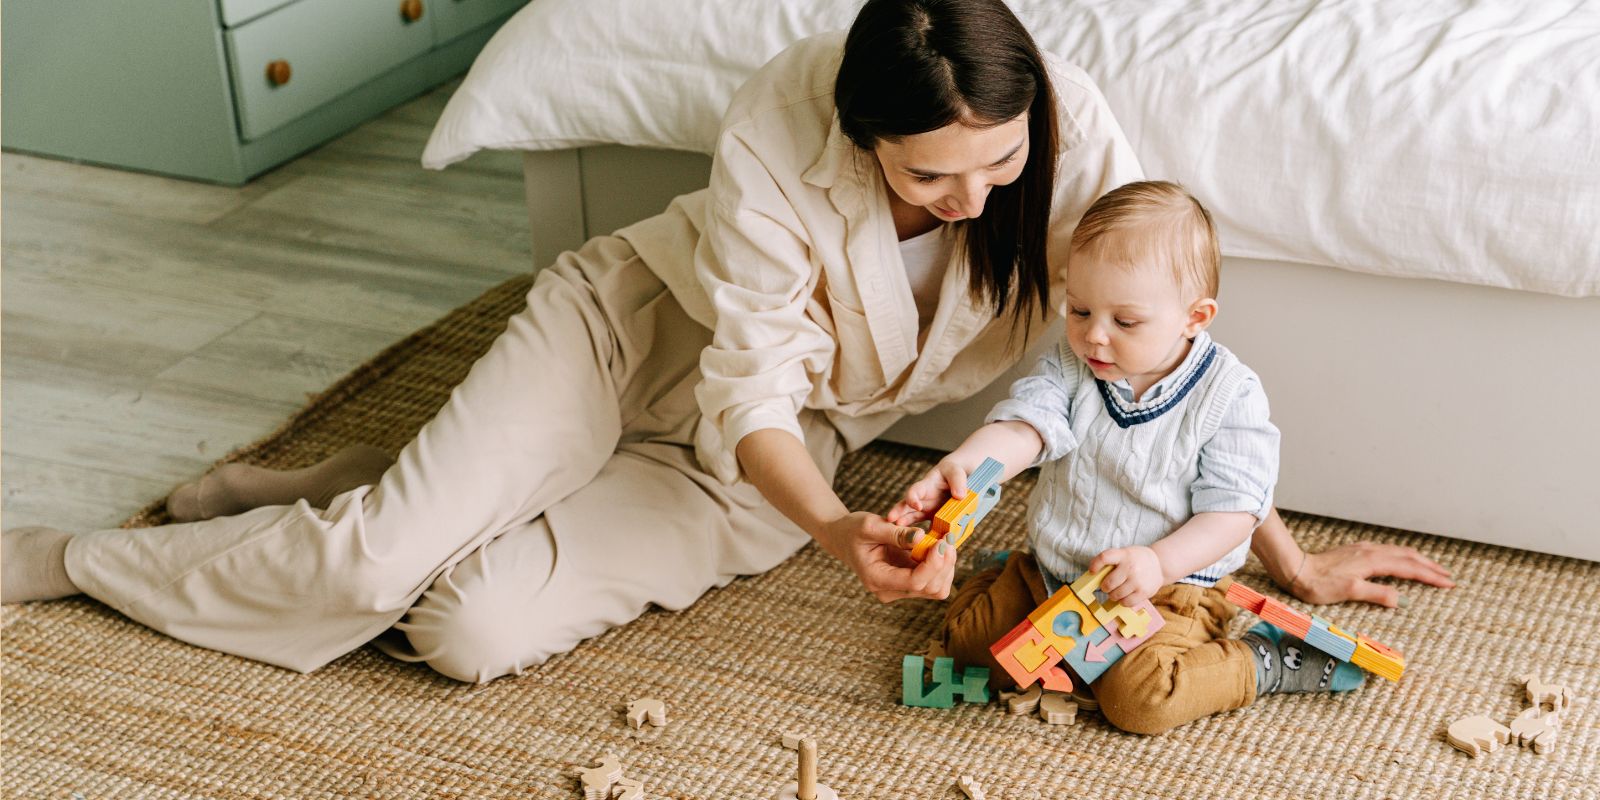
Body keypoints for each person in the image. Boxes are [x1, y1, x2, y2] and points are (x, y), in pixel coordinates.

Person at [0, 0, 1450, 686]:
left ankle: (342, 492)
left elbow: (1141, 385)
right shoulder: (780, 115)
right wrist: (834, 532)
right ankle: (71, 561)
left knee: (464, 630)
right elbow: (748, 373)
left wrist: (1288, 561)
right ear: (859, 128)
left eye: (995, 164)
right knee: (378, 565)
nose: (975, 199)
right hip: (642, 341)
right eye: (930, 176)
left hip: (776, 450)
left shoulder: (1062, 141)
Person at [890, 180, 1446, 735]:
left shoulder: (1228, 394)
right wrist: (965, 464)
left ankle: (1261, 661)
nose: (1094, 337)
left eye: (1124, 322)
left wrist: (1160, 563)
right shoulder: (1071, 364)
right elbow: (1026, 426)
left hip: (1171, 588)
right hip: (1055, 571)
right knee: (967, 645)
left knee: (1141, 700)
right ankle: (1001, 572)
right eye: (1079, 309)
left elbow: (1235, 512)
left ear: (1195, 317)